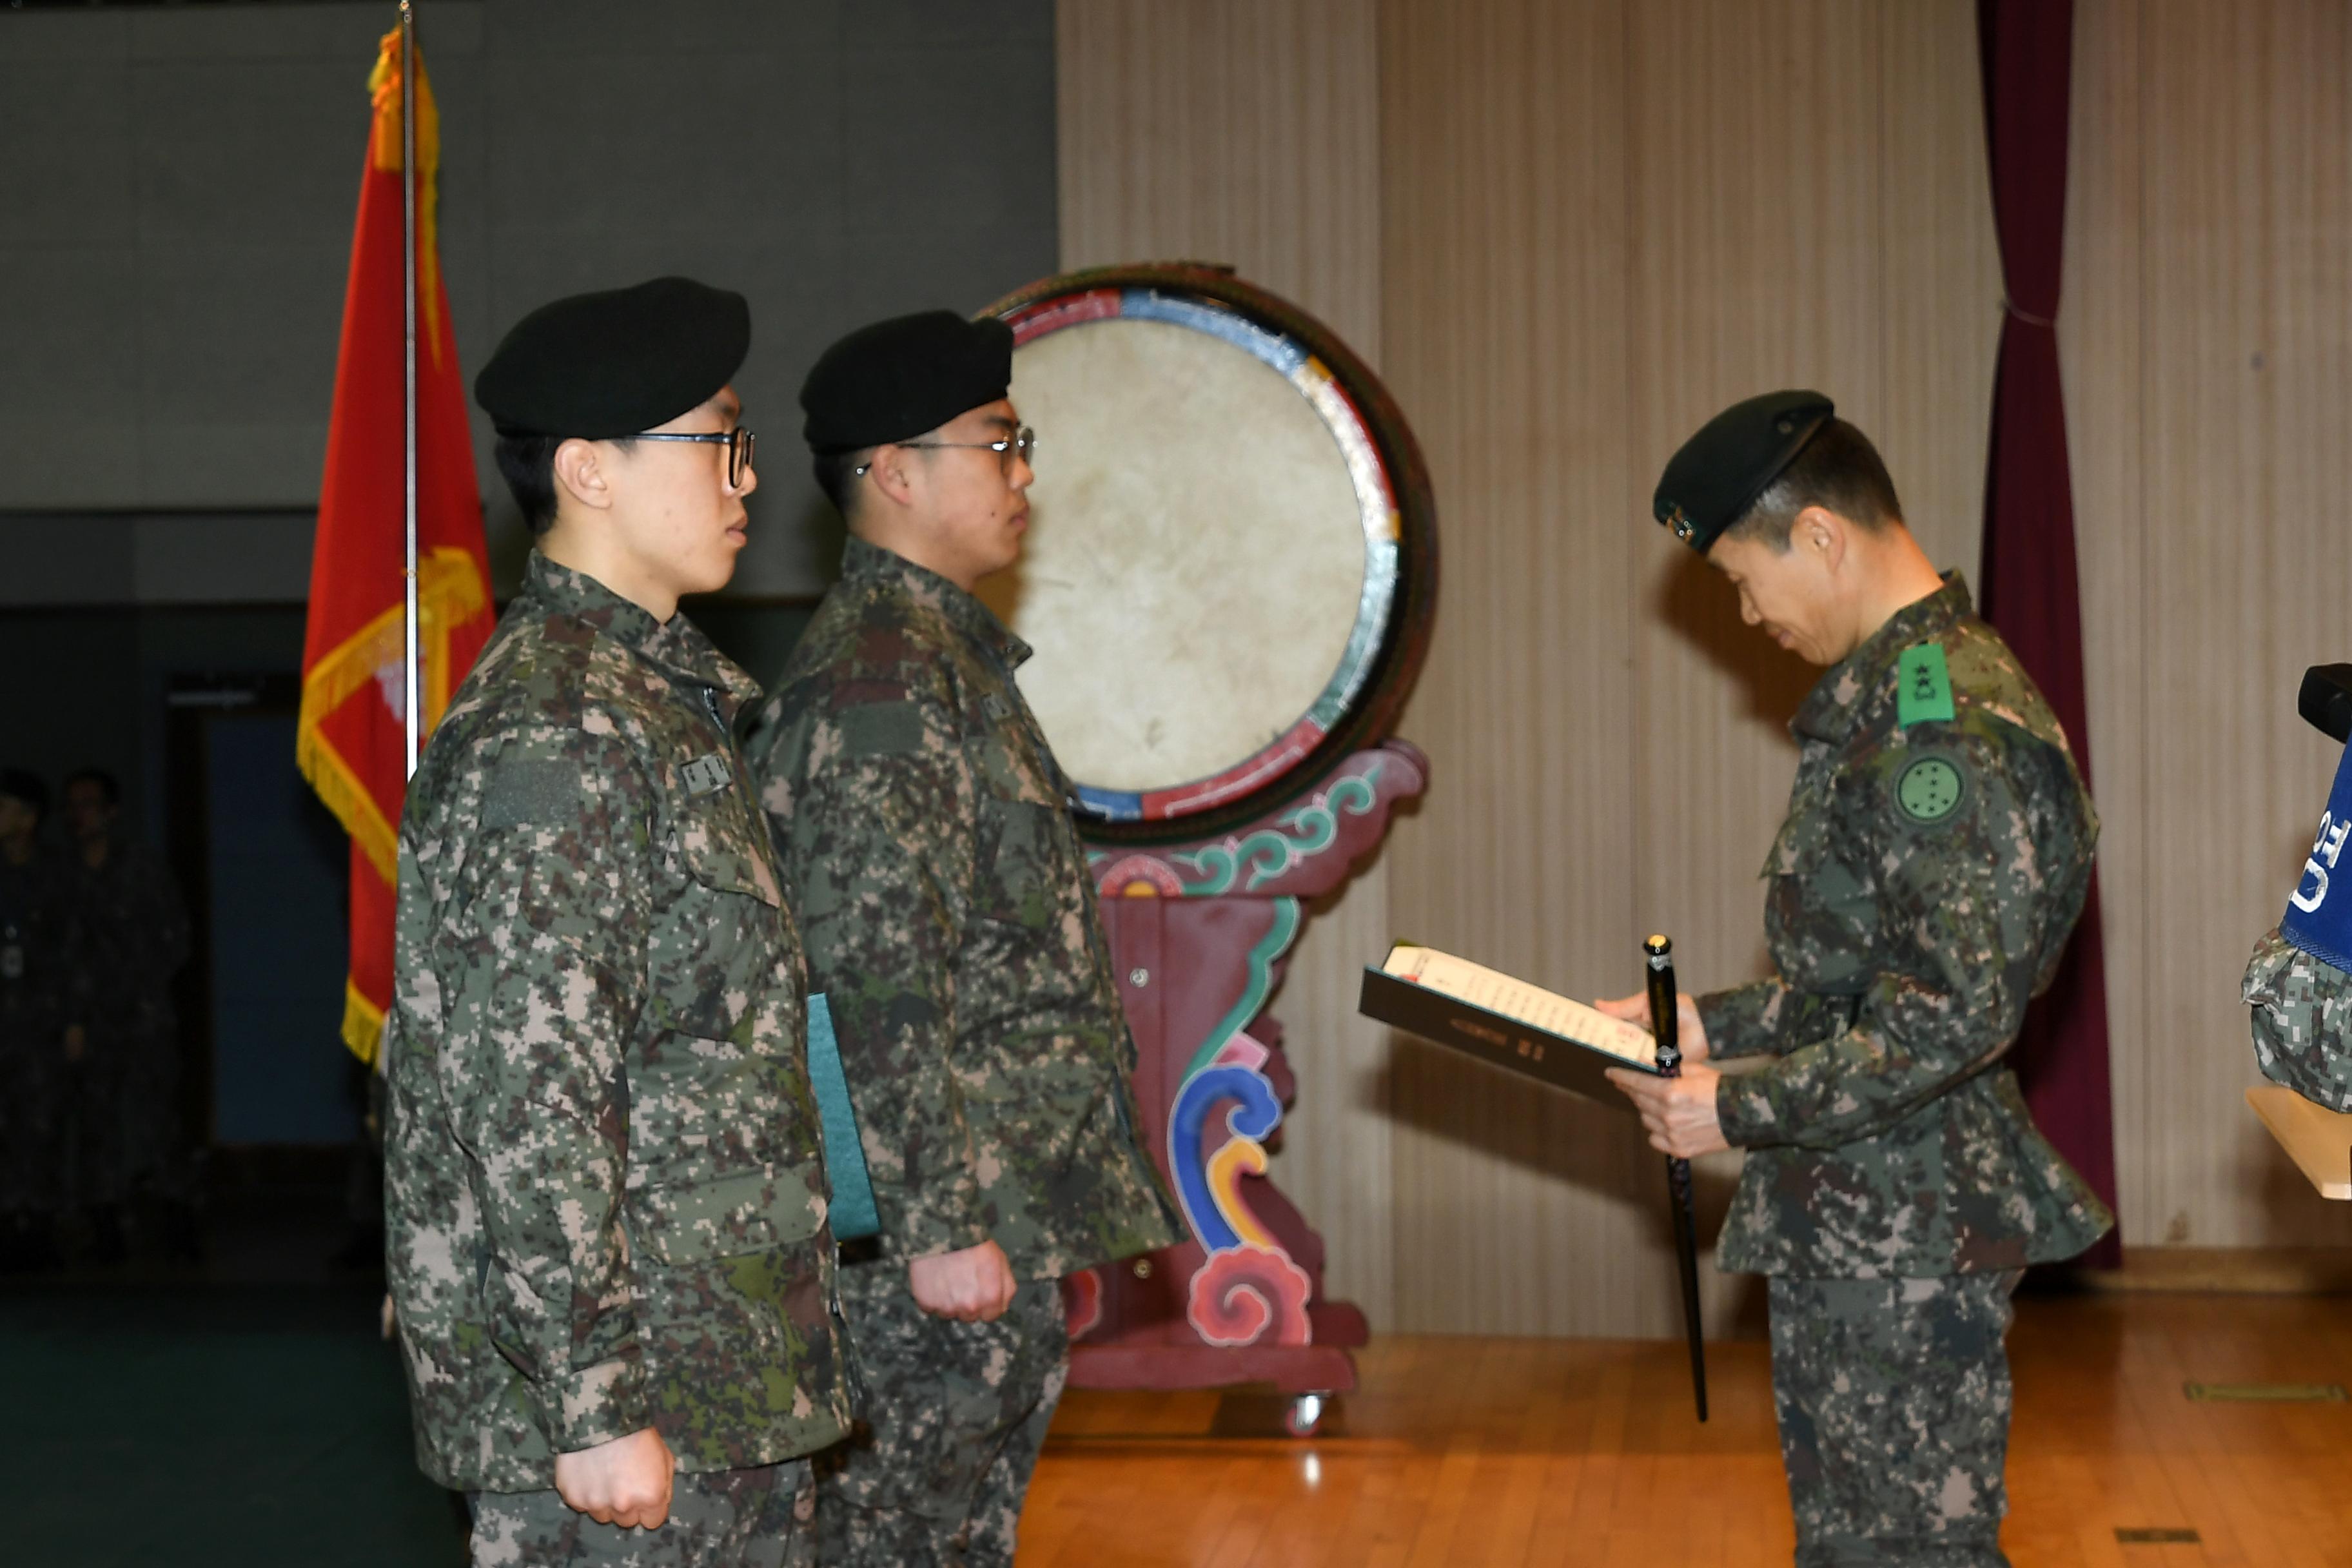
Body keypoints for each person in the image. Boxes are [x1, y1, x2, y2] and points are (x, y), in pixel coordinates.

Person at [1599, 392, 2113, 1568]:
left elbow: (1952, 1018)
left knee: (1904, 1554)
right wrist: (1695, 1022)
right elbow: (1859, 986)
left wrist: (1727, 1105)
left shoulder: (1941, 728)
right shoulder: (1892, 699)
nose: (1744, 613)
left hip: (1907, 1228)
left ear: (1821, 536)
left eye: (1742, 578)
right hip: (1862, 1219)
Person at [382, 277, 850, 1568]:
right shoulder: (556, 728)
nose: (747, 480)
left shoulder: (654, 707)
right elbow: (527, 1086)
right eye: (721, 442)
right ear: (590, 470)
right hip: (635, 1405)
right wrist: (590, 1401)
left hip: (722, 1366)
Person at [747, 310, 1184, 1568]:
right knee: (895, 1537)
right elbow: (872, 975)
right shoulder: (884, 681)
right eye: (998, 443)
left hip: (991, 1201)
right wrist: (936, 1220)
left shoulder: (941, 659)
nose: (1023, 472)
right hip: (927, 1237)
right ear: (895, 471)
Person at [56, 766, 192, 1263]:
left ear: (111, 812)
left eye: (90, 803)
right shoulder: (62, 873)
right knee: (97, 1125)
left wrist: (142, 988)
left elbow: (177, 936)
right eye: (72, 805)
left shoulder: (141, 867)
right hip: (90, 1021)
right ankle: (104, 1225)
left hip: (144, 1013)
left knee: (159, 1118)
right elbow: (60, 953)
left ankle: (176, 1220)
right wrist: (73, 1017)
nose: (80, 815)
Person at [0, 769, 68, 1270]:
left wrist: (75, 1021)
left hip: (40, 1025)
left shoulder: (55, 875)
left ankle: (39, 1227)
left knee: (40, 1127)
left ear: (28, 818)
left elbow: (76, 953)